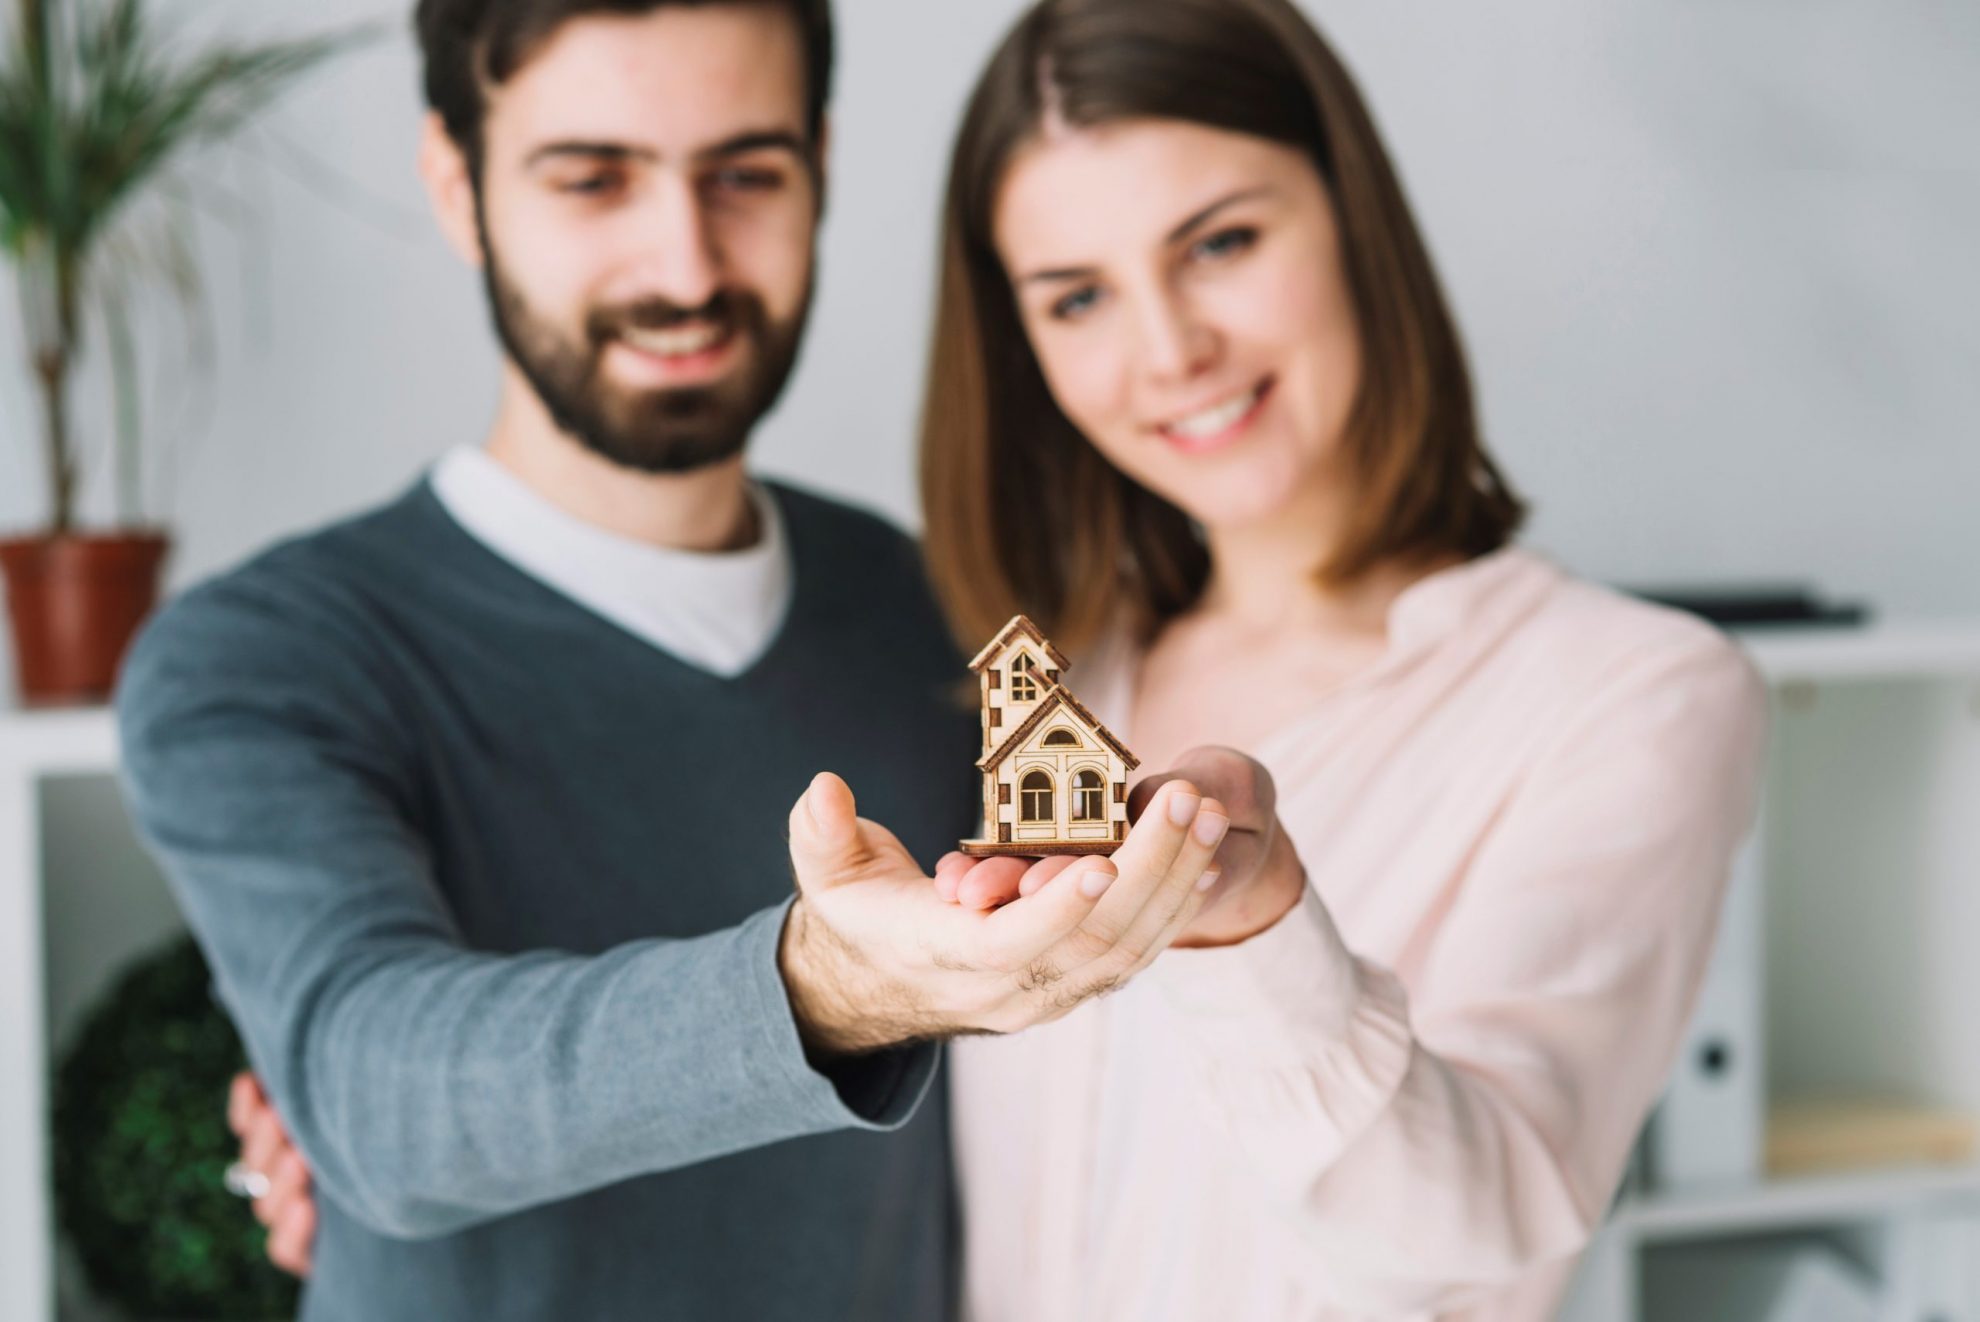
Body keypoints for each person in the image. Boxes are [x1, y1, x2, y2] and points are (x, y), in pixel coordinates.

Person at [116, 1, 1248, 1317]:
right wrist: (820, 988)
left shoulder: (954, 617)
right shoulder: (257, 659)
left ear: (820, 167)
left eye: (746, 174)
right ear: (457, 185)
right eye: (593, 178)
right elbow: (375, 1093)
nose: (687, 262)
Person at [914, 0, 1769, 1318]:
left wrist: (1256, 932)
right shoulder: (1045, 688)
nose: (1168, 350)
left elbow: (1482, 1220)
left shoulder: (1638, 696)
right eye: (1077, 296)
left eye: (1222, 243)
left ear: (1352, 216)